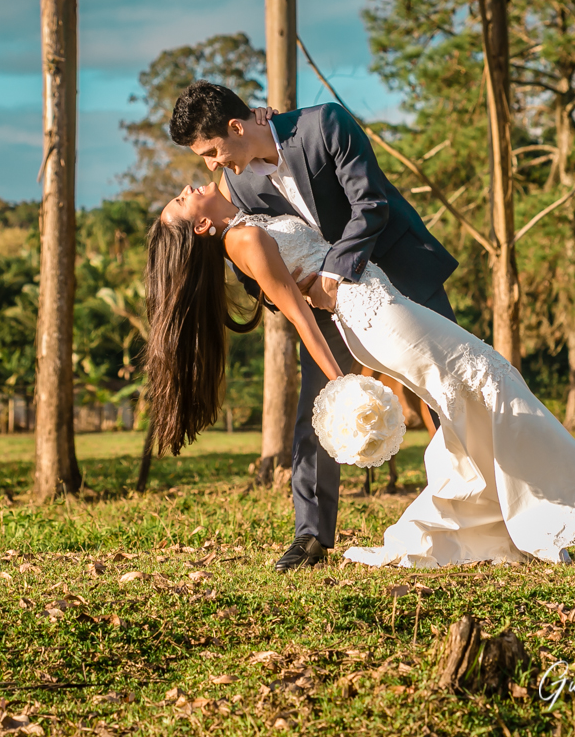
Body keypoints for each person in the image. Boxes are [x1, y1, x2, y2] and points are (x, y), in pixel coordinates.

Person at [145, 182, 575, 569]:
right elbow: (301, 314)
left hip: (379, 302)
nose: (188, 188)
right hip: (372, 315)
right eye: (181, 202)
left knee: (471, 404)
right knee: (491, 378)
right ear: (200, 228)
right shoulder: (244, 240)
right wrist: (341, 382)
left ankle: (489, 525)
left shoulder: (249, 213)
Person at [168, 80, 459, 571]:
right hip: (323, 309)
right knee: (316, 412)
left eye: (213, 151)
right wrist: (298, 293)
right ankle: (312, 536)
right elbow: (256, 249)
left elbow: (371, 206)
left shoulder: (325, 124)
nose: (212, 166)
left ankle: (471, 500)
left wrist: (333, 274)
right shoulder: (238, 184)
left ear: (237, 127)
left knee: (446, 389)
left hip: (397, 270)